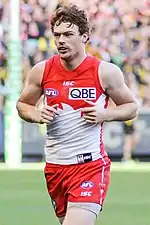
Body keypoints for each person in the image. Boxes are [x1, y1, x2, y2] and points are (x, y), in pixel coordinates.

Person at [16, 4, 138, 225]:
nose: (61, 40)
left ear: (84, 37)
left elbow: (131, 106)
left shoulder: (105, 72)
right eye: (57, 35)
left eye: (68, 34)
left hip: (89, 167)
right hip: (55, 167)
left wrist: (105, 114)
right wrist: (37, 114)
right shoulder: (42, 71)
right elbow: (23, 105)